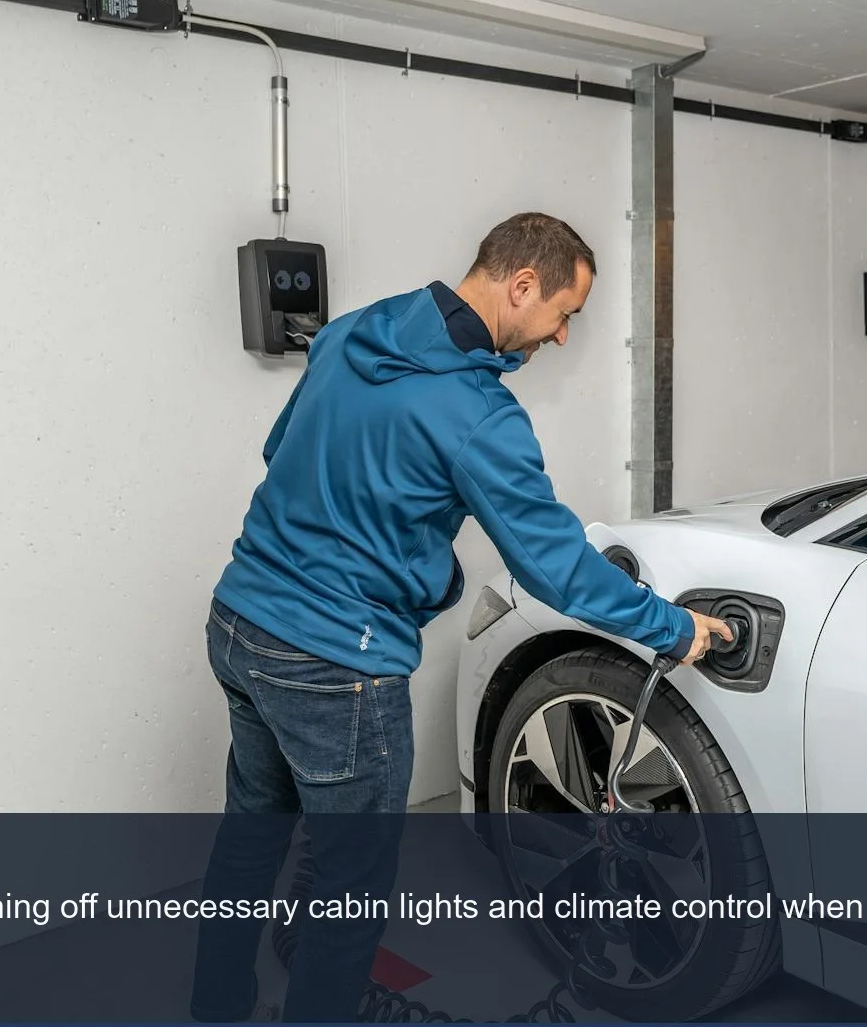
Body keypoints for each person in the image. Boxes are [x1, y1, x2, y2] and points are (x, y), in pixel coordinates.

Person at [189, 212, 732, 1023]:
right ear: (521, 286)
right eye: (564, 314)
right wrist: (674, 628)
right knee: (350, 885)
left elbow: (283, 453)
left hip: (240, 620)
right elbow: (553, 566)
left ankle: (217, 1004)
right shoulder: (479, 414)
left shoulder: (353, 331)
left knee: (252, 832)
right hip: (337, 662)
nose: (558, 337)